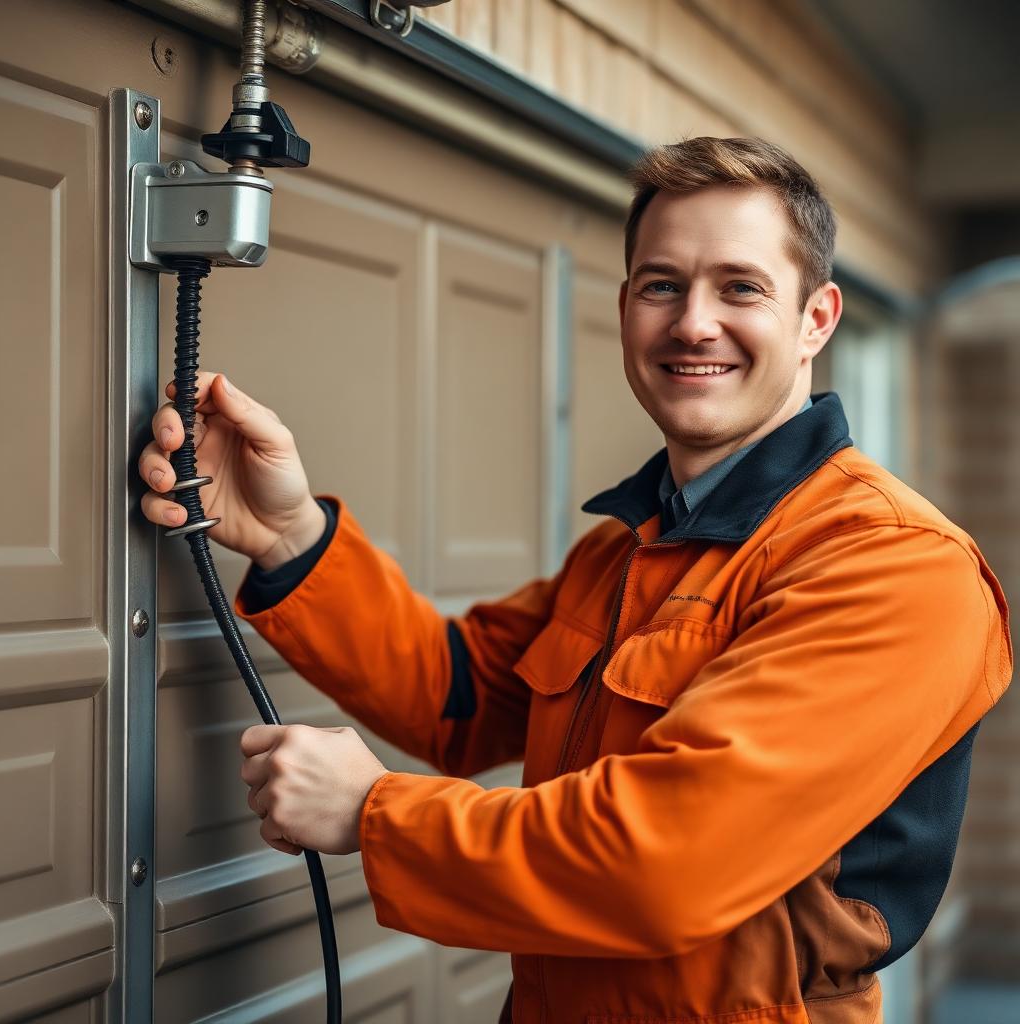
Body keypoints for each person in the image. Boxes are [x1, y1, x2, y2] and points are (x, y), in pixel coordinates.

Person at [139, 137, 1011, 1024]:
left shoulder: (890, 564)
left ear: (816, 319)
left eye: (740, 287)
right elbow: (458, 690)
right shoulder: (631, 547)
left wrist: (374, 810)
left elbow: (668, 862)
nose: (693, 323)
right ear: (628, 307)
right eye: (662, 284)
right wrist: (292, 533)